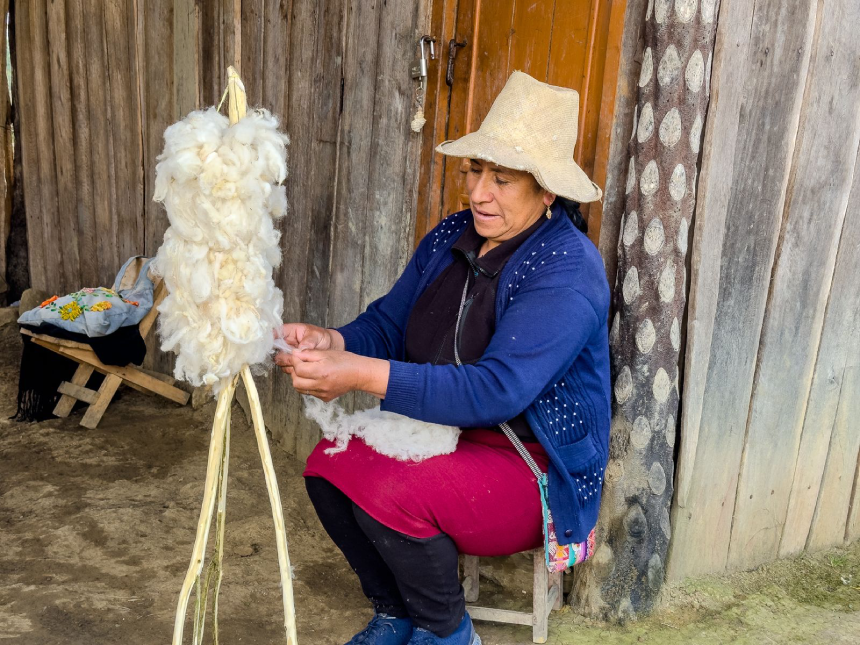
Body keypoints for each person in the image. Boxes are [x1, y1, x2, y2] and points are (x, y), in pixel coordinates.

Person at [275, 71, 610, 645]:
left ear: (548, 191)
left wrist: (362, 375)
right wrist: (336, 342)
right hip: (447, 431)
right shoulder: (453, 236)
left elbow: (496, 391)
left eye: (502, 179)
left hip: (530, 463)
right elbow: (389, 322)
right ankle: (396, 613)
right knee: (328, 467)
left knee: (389, 493)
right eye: (475, 171)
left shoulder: (567, 269)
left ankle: (447, 633)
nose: (479, 192)